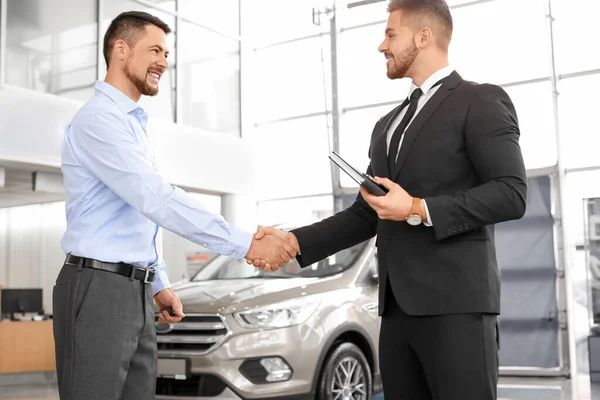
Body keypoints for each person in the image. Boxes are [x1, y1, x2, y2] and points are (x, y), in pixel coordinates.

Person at [250, 0, 527, 399]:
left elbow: (511, 192)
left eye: (390, 34)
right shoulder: (387, 125)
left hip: (457, 309)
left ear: (424, 36)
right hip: (396, 312)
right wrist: (292, 243)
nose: (382, 46)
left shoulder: (480, 101)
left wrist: (417, 208)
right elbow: (367, 214)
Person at [53, 11, 295, 400]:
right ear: (120, 50)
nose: (165, 62)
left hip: (135, 291)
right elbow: (156, 198)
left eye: (167, 53)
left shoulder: (132, 124)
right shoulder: (99, 121)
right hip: (97, 289)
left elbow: (138, 213)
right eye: (154, 50)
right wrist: (245, 243)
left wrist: (158, 282)